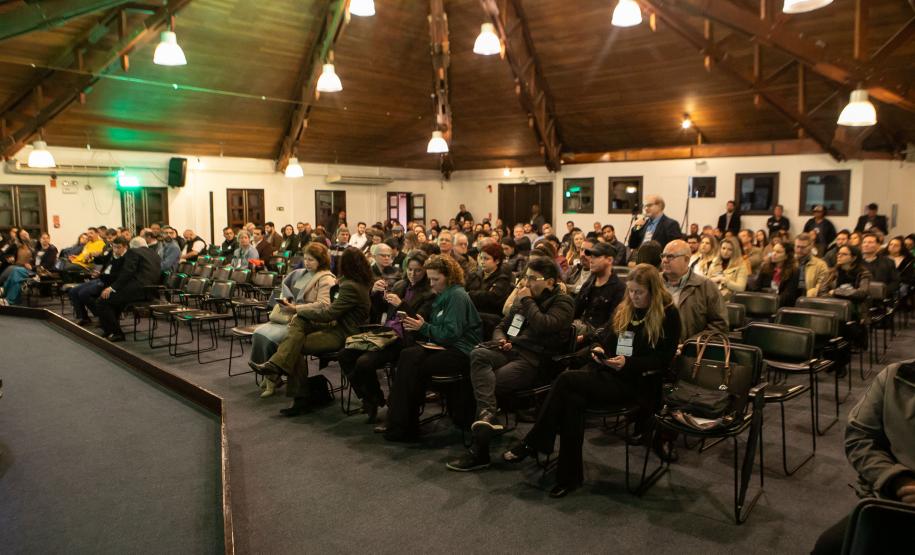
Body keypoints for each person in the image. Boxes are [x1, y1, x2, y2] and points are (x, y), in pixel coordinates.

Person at [501, 264, 680, 497]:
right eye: (631, 291)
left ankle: (534, 441)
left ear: (653, 292)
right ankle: (568, 477)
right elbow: (606, 339)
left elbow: (664, 360)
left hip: (638, 385)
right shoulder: (626, 308)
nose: (633, 297)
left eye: (639, 292)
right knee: (572, 401)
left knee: (566, 381)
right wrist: (598, 348)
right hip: (609, 374)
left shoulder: (669, 314)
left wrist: (629, 364)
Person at [446, 257, 575, 472]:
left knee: (488, 384)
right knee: (477, 354)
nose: (526, 283)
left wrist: (527, 301)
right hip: (510, 350)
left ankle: (480, 451)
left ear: (550, 282)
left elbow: (545, 325)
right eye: (526, 277)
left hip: (534, 361)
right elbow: (501, 325)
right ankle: (488, 415)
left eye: (533, 278)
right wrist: (500, 339)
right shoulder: (525, 299)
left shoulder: (563, 302)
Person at [249, 247, 371, 416]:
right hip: (335, 325)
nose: (306, 262)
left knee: (294, 344)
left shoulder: (350, 286)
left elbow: (329, 313)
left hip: (344, 332)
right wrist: (298, 311)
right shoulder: (355, 282)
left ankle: (297, 393)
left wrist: (297, 309)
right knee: (298, 326)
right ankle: (278, 367)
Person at [811, 360, 915, 554]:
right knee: (828, 548)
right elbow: (859, 438)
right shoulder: (896, 376)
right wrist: (899, 480)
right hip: (892, 498)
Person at [378, 255, 482, 442]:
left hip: (462, 351)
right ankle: (401, 422)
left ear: (449, 277)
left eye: (436, 279)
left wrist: (424, 327)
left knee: (412, 364)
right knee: (407, 355)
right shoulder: (444, 295)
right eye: (430, 279)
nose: (432, 284)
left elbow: (451, 334)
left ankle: (401, 424)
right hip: (446, 346)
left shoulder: (457, 296)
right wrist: (424, 326)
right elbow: (442, 330)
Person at [340, 251, 436, 422]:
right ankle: (370, 398)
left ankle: (373, 398)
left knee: (364, 362)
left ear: (425, 272)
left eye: (418, 271)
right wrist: (375, 294)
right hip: (385, 333)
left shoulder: (429, 293)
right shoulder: (400, 285)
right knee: (345, 355)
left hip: (405, 339)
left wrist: (402, 304)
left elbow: (419, 322)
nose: (413, 274)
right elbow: (379, 311)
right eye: (410, 270)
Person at [250, 242, 335, 398]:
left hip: (309, 320)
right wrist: (287, 302)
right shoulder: (300, 273)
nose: (307, 263)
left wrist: (296, 308)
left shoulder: (326, 279)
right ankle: (271, 376)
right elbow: (288, 292)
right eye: (306, 258)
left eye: (312, 260)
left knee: (270, 338)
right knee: (258, 333)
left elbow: (324, 306)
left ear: (321, 261)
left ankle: (272, 378)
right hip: (290, 315)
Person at [91, 237, 161, 341]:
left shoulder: (133, 252)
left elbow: (128, 272)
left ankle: (116, 333)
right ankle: (110, 330)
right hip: (152, 290)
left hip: (138, 289)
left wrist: (112, 287)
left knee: (102, 301)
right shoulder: (154, 253)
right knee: (114, 301)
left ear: (130, 246)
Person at [660, 239, 728, 341]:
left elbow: (719, 326)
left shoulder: (706, 286)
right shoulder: (652, 283)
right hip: (654, 352)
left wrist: (690, 344)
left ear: (686, 260)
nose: (664, 260)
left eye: (670, 256)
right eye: (663, 256)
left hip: (691, 353)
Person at [572, 242, 626, 343]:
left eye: (596, 256)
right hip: (582, 330)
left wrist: (585, 338)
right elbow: (575, 310)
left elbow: (612, 324)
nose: (591, 260)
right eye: (591, 256)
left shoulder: (619, 288)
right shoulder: (590, 283)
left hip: (601, 340)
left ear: (609, 260)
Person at [67, 236, 128, 324]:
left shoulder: (127, 258)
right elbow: (101, 260)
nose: (116, 250)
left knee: (83, 294)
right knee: (73, 291)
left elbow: (120, 275)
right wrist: (92, 256)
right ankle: (83, 317)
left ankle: (103, 317)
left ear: (125, 247)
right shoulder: (111, 252)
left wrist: (100, 275)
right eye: (114, 247)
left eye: (119, 247)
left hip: (110, 282)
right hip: (101, 278)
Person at [464, 243, 513, 321]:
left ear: (497, 261)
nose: (482, 262)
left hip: (489, 317)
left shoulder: (503, 279)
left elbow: (491, 297)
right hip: (472, 311)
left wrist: (470, 294)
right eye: (481, 258)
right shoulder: (475, 274)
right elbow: (464, 290)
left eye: (486, 259)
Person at [752, 241, 800, 307]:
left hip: (782, 306)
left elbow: (788, 295)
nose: (774, 254)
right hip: (763, 303)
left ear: (787, 255)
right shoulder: (765, 267)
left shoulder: (794, 271)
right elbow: (756, 288)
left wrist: (772, 303)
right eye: (773, 251)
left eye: (778, 252)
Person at [794, 232, 833, 298]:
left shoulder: (821, 265)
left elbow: (822, 288)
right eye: (797, 247)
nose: (799, 250)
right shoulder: (790, 262)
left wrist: (815, 290)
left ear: (811, 246)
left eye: (803, 247)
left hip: (810, 300)